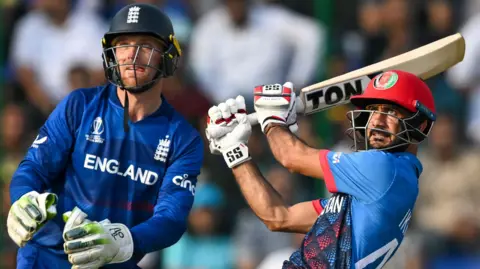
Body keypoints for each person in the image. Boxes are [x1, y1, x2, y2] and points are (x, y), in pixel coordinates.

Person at [7, 3, 203, 269]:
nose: (132, 55)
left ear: (167, 56)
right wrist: (23, 198)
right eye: (123, 44)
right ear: (111, 53)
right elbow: (33, 168)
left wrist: (124, 241)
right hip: (45, 259)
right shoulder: (78, 105)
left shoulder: (183, 138)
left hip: (115, 262)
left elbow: (171, 218)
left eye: (146, 45)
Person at [206, 70, 436, 268]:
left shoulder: (385, 169)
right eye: (374, 110)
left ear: (421, 125)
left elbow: (291, 157)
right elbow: (278, 217)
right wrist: (235, 152)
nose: (376, 121)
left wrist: (272, 118)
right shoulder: (370, 193)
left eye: (391, 112)